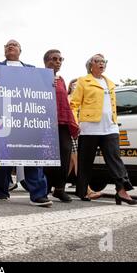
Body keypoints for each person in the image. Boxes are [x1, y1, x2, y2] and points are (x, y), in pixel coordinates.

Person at [0, 39, 52, 207]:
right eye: (7, 45)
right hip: (4, 117)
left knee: (32, 155)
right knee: (3, 156)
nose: (10, 46)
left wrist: (51, 84)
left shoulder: (31, 70)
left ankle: (38, 194)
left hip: (26, 117)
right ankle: (0, 190)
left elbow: (42, 90)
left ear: (20, 50)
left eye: (14, 44)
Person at [70, 54, 137, 205]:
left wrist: (115, 121)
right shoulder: (84, 81)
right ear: (91, 65)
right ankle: (83, 191)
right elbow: (74, 104)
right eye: (98, 61)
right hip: (89, 128)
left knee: (115, 159)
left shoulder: (110, 83)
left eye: (103, 61)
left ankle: (122, 191)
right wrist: (76, 123)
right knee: (85, 162)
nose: (102, 64)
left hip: (110, 127)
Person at [42, 50, 80, 202]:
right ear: (45, 61)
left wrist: (72, 121)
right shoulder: (38, 77)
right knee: (48, 155)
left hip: (63, 121)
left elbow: (64, 102)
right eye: (54, 59)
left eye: (60, 59)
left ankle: (60, 188)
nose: (58, 62)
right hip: (45, 122)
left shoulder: (62, 80)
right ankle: (45, 187)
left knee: (65, 152)